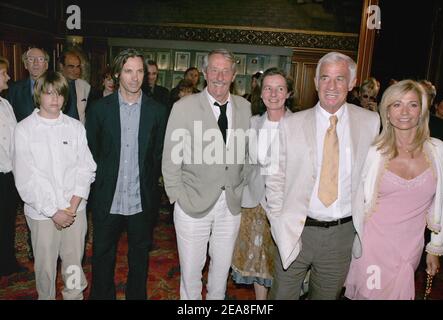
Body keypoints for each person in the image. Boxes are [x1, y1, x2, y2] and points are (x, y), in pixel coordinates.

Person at [265, 51, 380, 300]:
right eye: (325, 78)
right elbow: (274, 178)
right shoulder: (291, 124)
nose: (331, 86)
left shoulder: (370, 122)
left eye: (339, 79)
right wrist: (278, 221)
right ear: (316, 82)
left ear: (351, 83)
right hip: (296, 230)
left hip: (341, 235)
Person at [344, 79, 443, 300]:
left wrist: (435, 246)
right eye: (396, 104)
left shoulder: (441, 152)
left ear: (422, 111)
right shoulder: (373, 152)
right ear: (387, 112)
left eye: (412, 104)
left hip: (410, 248)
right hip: (372, 246)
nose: (405, 112)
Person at [162, 49, 251, 300]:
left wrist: (241, 188)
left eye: (225, 71)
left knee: (221, 273)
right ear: (204, 73)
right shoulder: (184, 107)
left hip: (230, 206)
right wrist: (176, 197)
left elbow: (247, 155)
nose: (219, 76)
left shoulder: (244, 107)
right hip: (192, 203)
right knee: (191, 274)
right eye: (214, 69)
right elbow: (170, 157)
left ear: (234, 75)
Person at [86, 48, 167, 300]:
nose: (135, 77)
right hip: (107, 198)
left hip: (141, 198)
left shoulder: (158, 111)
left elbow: (158, 156)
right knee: (101, 256)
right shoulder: (99, 110)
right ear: (117, 73)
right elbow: (92, 153)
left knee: (140, 258)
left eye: (140, 71)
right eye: (129, 71)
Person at [13, 71, 96, 299]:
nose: (54, 99)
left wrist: (72, 206)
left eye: (59, 94)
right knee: (45, 267)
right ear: (38, 95)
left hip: (74, 210)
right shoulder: (24, 130)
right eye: (49, 93)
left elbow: (86, 167)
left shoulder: (75, 127)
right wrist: (53, 211)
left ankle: (73, 296)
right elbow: (25, 179)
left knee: (72, 264)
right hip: (42, 213)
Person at [231, 68, 292, 300]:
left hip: (286, 205)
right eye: (268, 88)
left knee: (281, 260)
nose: (273, 94)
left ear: (288, 93)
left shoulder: (300, 124)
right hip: (254, 202)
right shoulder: (253, 123)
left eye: (280, 88)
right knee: (257, 260)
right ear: (261, 92)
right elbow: (244, 161)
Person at [0, 57, 22, 278]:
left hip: (8, 174)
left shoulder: (5, 104)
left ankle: (7, 261)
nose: (8, 77)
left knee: (7, 220)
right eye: (4, 73)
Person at [7, 47, 49, 122]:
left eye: (40, 59)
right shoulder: (14, 90)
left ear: (46, 65)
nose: (35, 63)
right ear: (26, 65)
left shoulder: (59, 87)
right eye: (31, 59)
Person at [59, 49, 91, 124]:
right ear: (61, 66)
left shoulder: (85, 86)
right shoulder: (53, 85)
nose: (76, 70)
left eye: (78, 66)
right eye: (71, 66)